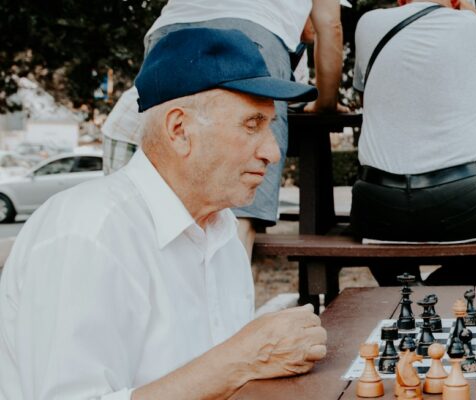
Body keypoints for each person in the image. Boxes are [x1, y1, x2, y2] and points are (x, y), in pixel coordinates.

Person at [0, 28, 328, 399]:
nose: (272, 151)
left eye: (270, 127)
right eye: (252, 125)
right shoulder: (88, 234)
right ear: (179, 130)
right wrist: (240, 360)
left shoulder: (221, 234)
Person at [100, 0, 346, 259]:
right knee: (238, 209)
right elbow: (330, 24)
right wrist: (326, 102)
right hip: (253, 34)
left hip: (170, 33)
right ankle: (227, 297)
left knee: (159, 205)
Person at [349, 0, 476, 286]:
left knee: (384, 228)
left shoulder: (368, 24)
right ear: (457, 1)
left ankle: (406, 292)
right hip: (463, 196)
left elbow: (368, 97)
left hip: (376, 202)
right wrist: (475, 16)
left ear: (401, 1)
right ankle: (435, 295)